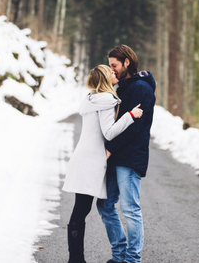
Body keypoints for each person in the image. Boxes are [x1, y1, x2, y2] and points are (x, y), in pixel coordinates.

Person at [62, 65, 143, 263]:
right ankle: (76, 259)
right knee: (81, 210)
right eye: (111, 72)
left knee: (80, 210)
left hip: (83, 157)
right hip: (91, 161)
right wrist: (130, 116)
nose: (115, 73)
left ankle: (76, 258)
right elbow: (109, 132)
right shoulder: (106, 100)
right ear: (105, 79)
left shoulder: (92, 98)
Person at [96, 44, 156, 263]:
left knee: (130, 209)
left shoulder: (141, 88)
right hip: (116, 156)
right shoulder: (121, 87)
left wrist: (110, 149)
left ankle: (132, 259)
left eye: (114, 66)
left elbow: (134, 126)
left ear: (126, 62)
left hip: (129, 157)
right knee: (104, 204)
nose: (112, 70)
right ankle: (120, 254)